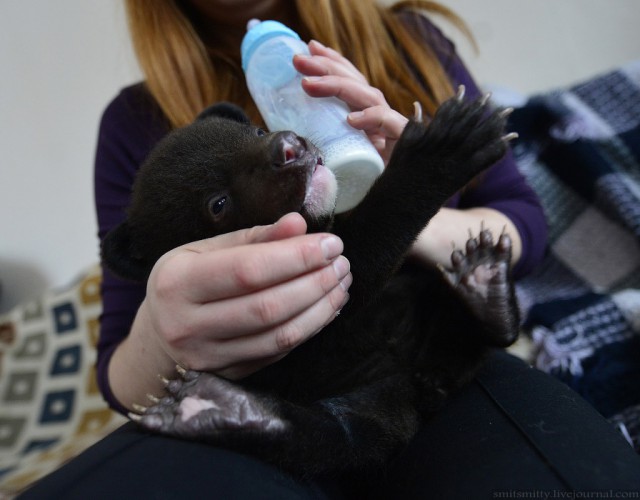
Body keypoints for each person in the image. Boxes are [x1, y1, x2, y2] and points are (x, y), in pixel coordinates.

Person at [19, 1, 640, 498]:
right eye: (218, 205)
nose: (280, 148)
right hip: (283, 390)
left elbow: (519, 226)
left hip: (426, 350)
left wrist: (405, 196)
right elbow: (123, 379)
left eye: (261, 135)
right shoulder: (133, 121)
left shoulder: (409, 39)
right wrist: (162, 331)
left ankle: (478, 314)